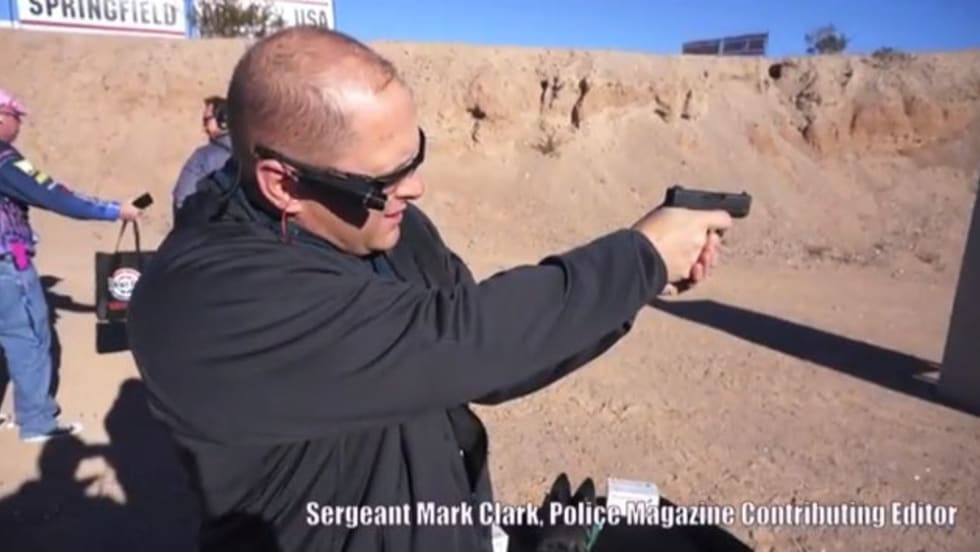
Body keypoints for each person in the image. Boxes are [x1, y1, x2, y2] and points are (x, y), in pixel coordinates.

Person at [125, 26, 734, 552]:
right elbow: (456, 339)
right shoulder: (204, 302)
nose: (415, 188)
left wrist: (639, 283)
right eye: (387, 177)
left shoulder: (383, 224)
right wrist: (640, 258)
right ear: (284, 184)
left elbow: (485, 356)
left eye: (415, 156)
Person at [0, 87, 145, 442]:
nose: (19, 125)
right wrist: (115, 210)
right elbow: (56, 196)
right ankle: (37, 422)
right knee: (28, 337)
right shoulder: (5, 159)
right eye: (16, 117)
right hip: (8, 260)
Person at [171, 95, 233, 217]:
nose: (204, 128)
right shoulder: (250, 157)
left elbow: (181, 200)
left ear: (223, 120)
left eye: (206, 120)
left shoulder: (203, 157)